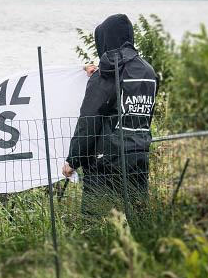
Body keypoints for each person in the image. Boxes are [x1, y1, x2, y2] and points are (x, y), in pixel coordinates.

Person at [63, 14, 158, 217]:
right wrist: (99, 73)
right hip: (139, 156)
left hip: (105, 163)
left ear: (105, 40)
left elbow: (88, 121)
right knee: (137, 216)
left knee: (95, 223)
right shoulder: (148, 71)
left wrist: (73, 160)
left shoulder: (106, 75)